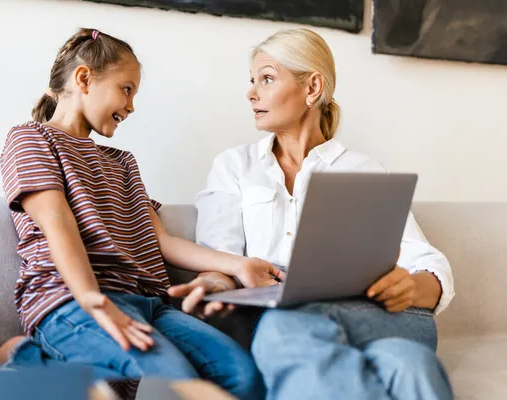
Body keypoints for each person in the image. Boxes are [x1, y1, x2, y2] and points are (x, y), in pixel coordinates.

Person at [0, 28, 278, 400]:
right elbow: (57, 222)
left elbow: (163, 241)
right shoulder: (31, 139)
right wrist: (91, 299)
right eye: (126, 89)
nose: (131, 106)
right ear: (84, 78)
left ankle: (31, 362)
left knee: (243, 377)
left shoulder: (122, 163)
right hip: (70, 298)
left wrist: (239, 265)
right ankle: (28, 358)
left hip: (149, 303)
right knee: (173, 381)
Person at [169, 28, 454, 400]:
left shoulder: (363, 170)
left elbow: (428, 264)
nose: (251, 92)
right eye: (252, 81)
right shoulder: (234, 167)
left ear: (312, 88)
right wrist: (213, 284)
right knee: (403, 362)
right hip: (280, 314)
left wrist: (411, 286)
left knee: (285, 327)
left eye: (267, 79)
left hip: (375, 316)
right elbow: (222, 263)